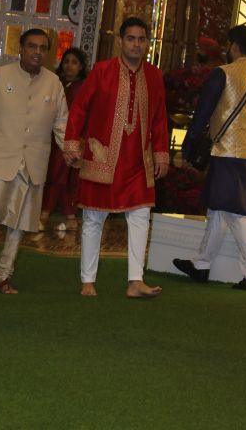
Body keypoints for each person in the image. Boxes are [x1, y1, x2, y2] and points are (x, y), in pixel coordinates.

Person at [64, 17, 170, 298]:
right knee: (93, 218)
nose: (136, 44)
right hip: (103, 157)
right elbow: (79, 108)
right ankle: (88, 281)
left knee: (140, 216)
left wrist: (161, 154)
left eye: (141, 39)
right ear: (121, 41)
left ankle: (135, 281)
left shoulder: (154, 76)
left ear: (147, 43)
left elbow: (160, 118)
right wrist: (72, 142)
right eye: (131, 38)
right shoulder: (102, 71)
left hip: (138, 160)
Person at [0, 28, 68, 294]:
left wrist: (72, 151)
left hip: (32, 163)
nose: (37, 52)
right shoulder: (0, 75)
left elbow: (62, 125)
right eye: (32, 46)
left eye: (42, 48)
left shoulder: (54, 83)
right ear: (21, 48)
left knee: (19, 221)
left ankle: (4, 275)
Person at [173, 24, 246, 291]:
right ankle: (201, 265)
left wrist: (187, 146)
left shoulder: (223, 73)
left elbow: (203, 112)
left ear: (233, 46)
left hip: (226, 152)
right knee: (219, 208)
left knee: (236, 212)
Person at [39, 47, 88, 235]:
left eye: (74, 62)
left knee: (62, 177)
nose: (69, 66)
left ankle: (46, 214)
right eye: (66, 62)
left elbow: (86, 114)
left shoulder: (83, 87)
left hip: (73, 140)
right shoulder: (56, 83)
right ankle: (69, 218)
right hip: (53, 137)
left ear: (81, 66)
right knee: (55, 175)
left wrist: (81, 140)